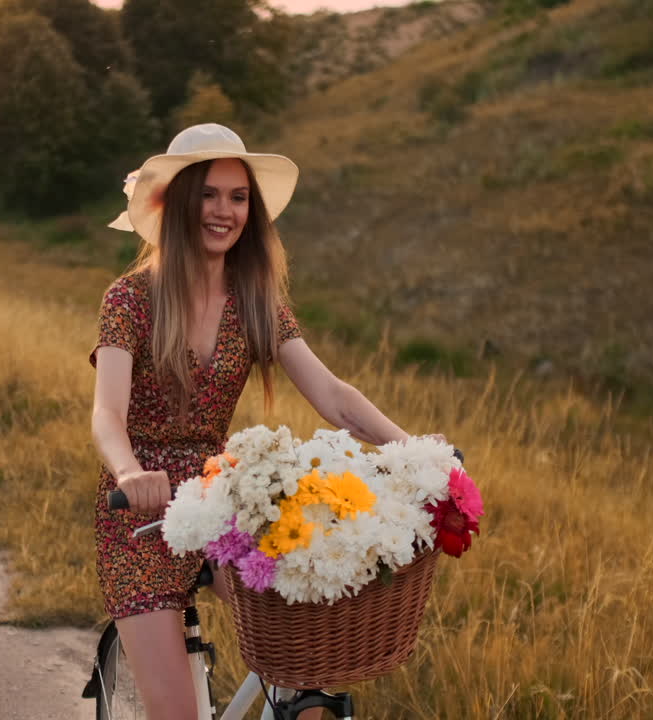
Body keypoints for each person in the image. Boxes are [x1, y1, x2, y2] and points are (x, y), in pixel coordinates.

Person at [90, 124, 441, 720]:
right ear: (176, 202)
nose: (223, 211)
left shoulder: (254, 300)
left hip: (223, 496)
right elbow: (107, 413)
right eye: (207, 194)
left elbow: (332, 395)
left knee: (309, 647)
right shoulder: (130, 299)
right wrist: (129, 472)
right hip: (142, 510)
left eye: (238, 197)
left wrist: (421, 454)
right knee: (174, 714)